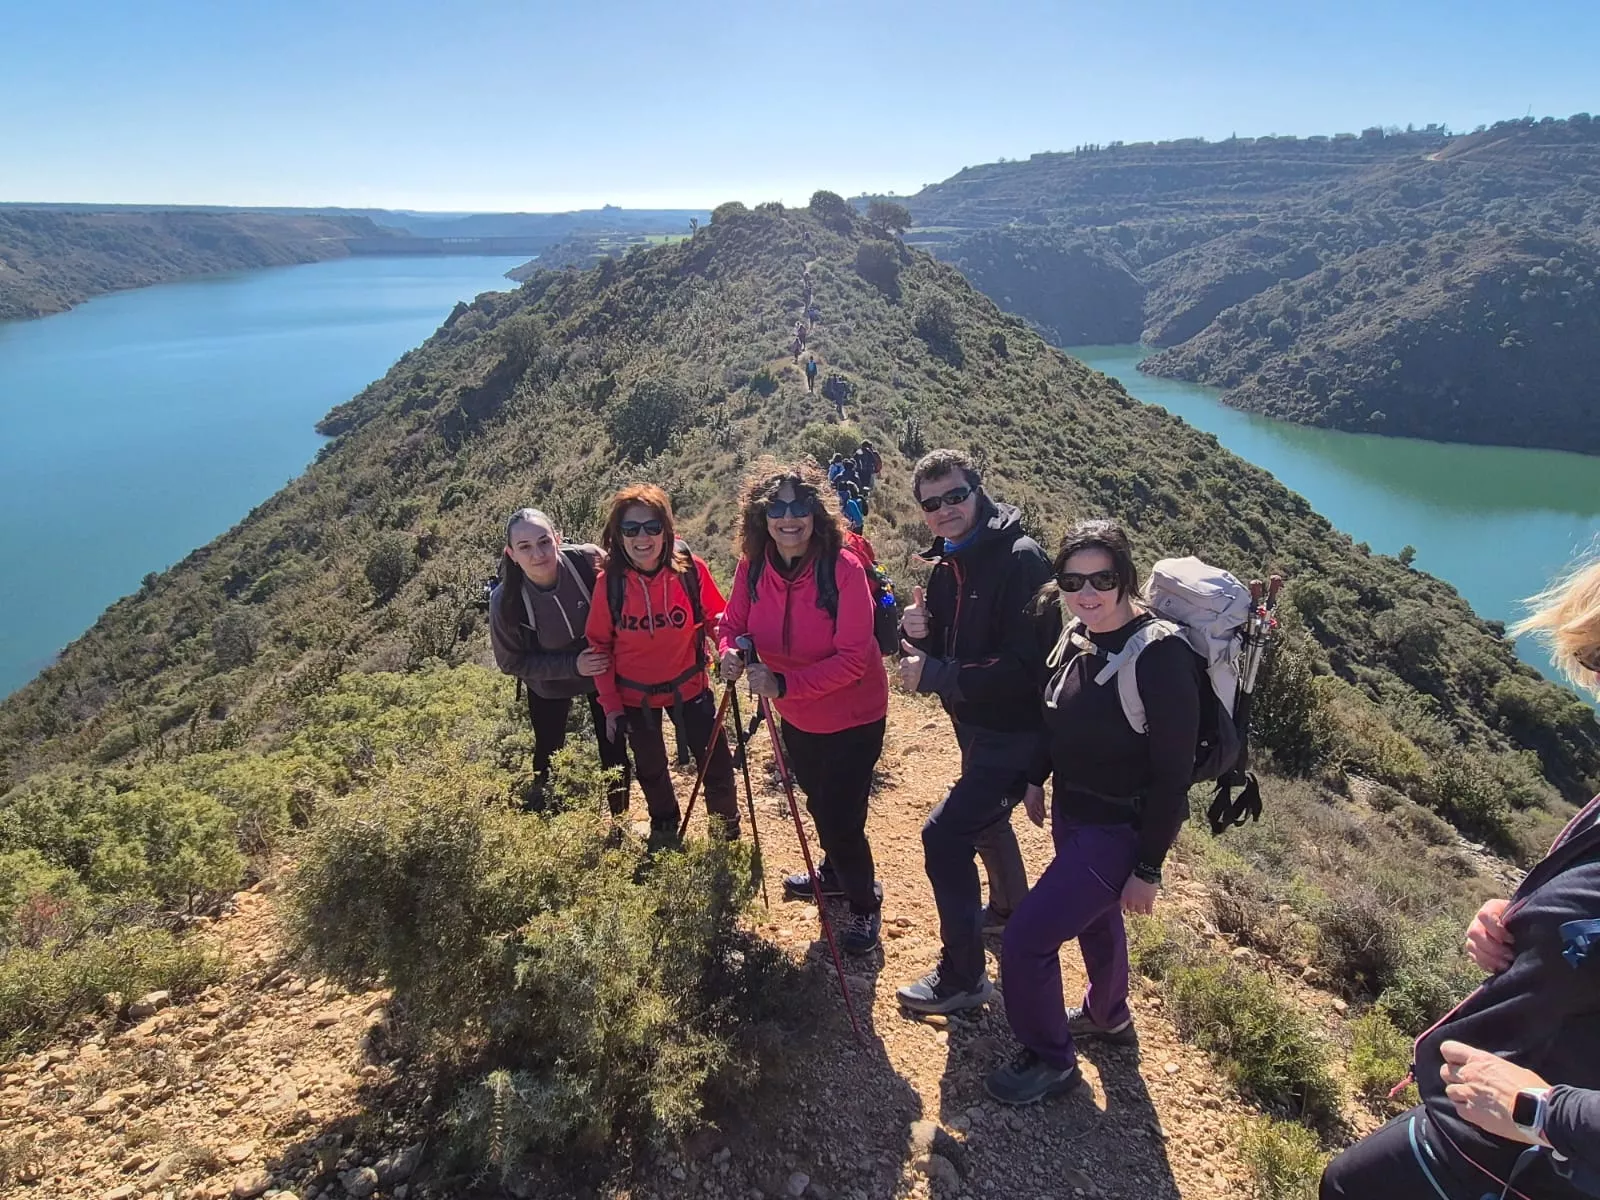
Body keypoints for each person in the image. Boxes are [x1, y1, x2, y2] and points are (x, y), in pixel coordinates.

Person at [1319, 557, 1600, 1200]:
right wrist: (1525, 920)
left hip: (1549, 1158)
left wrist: (1543, 1111)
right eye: (1597, 658)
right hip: (1487, 1126)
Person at [985, 519, 1201, 1104]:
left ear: (1125, 578)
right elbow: (1056, 715)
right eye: (1072, 579)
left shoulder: (1160, 658)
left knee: (1027, 938)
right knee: (1094, 920)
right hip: (1074, 816)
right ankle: (1108, 1016)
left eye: (1102, 578)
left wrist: (1148, 868)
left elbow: (1172, 778)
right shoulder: (1077, 635)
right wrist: (1035, 778)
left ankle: (1052, 1059)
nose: (1087, 592)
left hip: (1118, 831)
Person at [895, 449, 1052, 1015]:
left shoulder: (1021, 560)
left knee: (945, 836)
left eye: (955, 496)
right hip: (977, 728)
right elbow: (945, 647)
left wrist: (938, 672)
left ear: (978, 490)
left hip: (1015, 735)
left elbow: (1027, 666)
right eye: (932, 503)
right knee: (983, 822)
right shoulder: (949, 563)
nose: (944, 510)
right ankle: (1009, 911)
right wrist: (915, 631)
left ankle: (963, 977)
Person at [717, 459, 890, 955]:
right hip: (796, 715)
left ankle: (863, 903)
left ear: (816, 513)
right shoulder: (753, 568)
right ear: (761, 516)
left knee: (840, 815)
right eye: (777, 508)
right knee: (821, 801)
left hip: (854, 714)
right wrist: (729, 650)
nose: (788, 518)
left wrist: (784, 684)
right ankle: (835, 872)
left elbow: (855, 660)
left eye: (799, 507)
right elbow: (731, 623)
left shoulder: (843, 569)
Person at [584, 484, 739, 844]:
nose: (643, 538)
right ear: (618, 535)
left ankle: (725, 831)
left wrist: (726, 646)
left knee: (716, 763)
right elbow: (599, 647)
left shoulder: (689, 570)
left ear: (666, 530)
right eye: (631, 529)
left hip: (691, 684)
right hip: (634, 696)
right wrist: (610, 706)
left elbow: (716, 616)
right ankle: (665, 828)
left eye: (652, 527)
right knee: (651, 769)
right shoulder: (610, 584)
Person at [488, 508, 629, 815]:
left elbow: (627, 594)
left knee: (614, 745)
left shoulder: (587, 562)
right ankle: (548, 816)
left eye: (544, 541)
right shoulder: (506, 601)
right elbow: (510, 662)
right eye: (524, 547)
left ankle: (619, 820)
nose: (537, 553)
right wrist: (572, 665)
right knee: (549, 750)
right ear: (511, 554)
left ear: (558, 539)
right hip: (549, 685)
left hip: (602, 673)